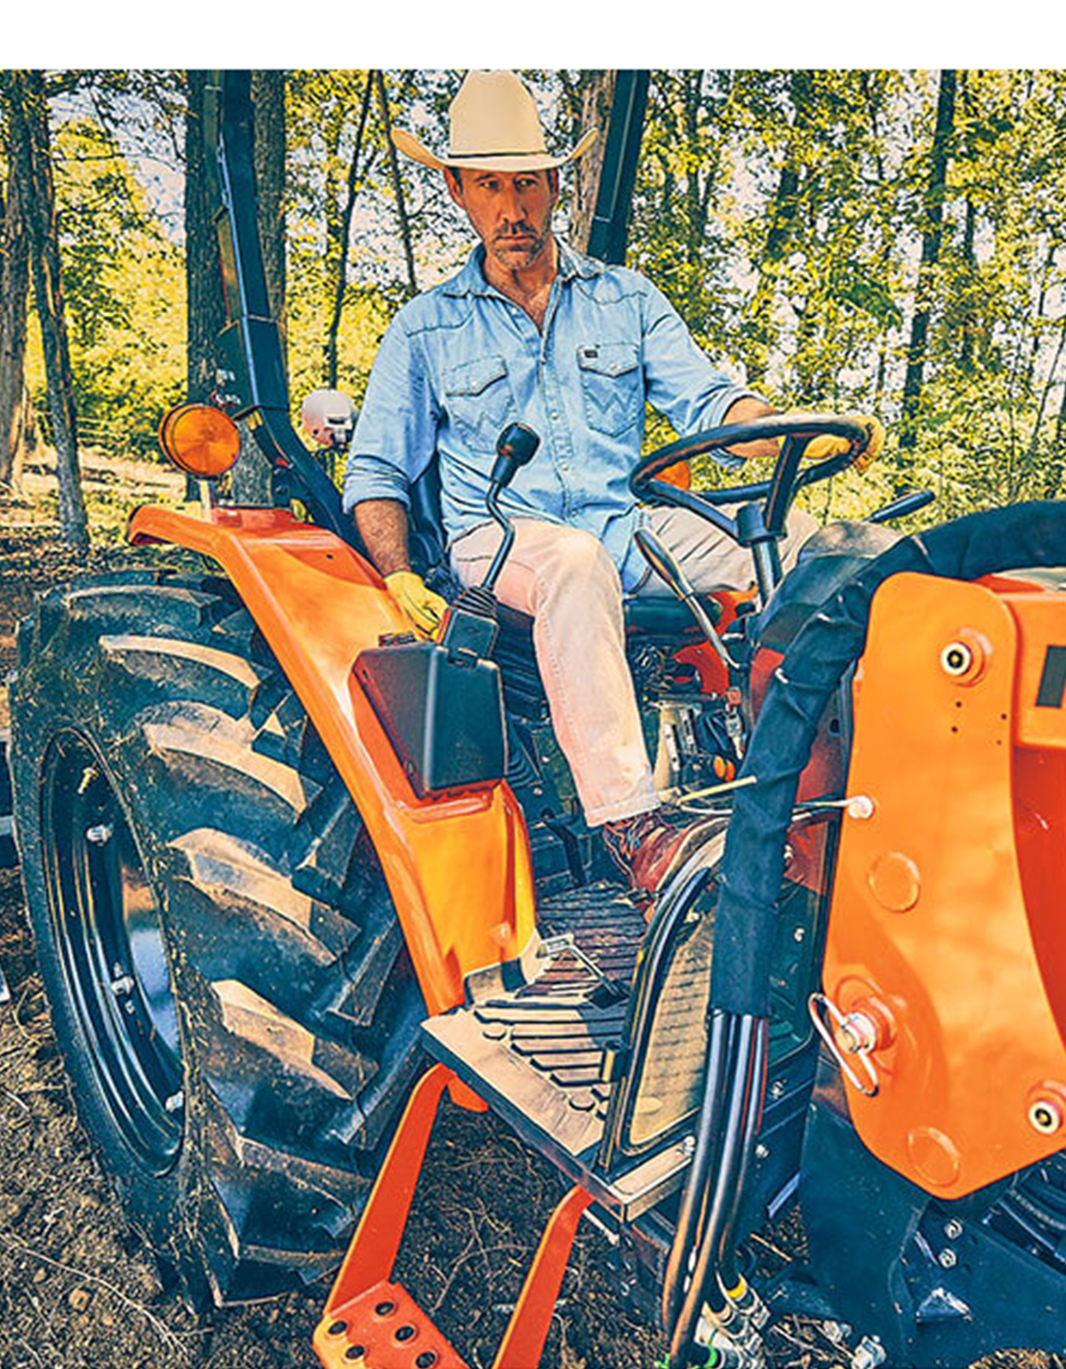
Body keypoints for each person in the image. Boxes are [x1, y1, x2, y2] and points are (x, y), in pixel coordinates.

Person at [342, 71, 882, 888]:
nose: (512, 208)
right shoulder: (426, 328)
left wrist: (789, 433)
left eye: (527, 183)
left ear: (555, 184)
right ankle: (633, 822)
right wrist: (399, 574)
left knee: (818, 561)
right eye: (490, 184)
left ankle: (819, 791)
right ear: (457, 191)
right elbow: (378, 468)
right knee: (571, 563)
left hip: (628, 527)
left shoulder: (624, 300)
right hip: (502, 538)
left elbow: (708, 403)